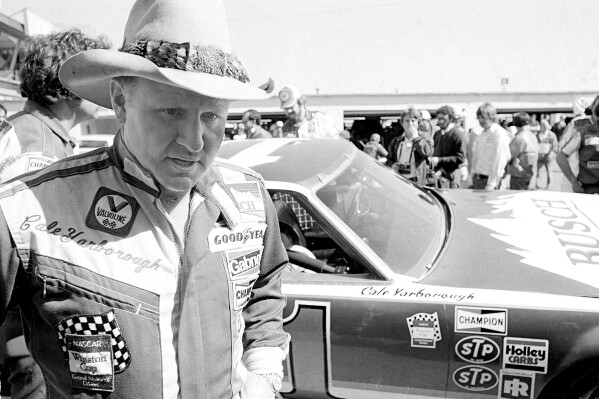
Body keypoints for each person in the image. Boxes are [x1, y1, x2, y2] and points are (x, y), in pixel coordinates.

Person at [0, 0, 290, 398]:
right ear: (120, 102)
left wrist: (264, 369)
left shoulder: (250, 199)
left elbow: (265, 285)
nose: (193, 142)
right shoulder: (24, 210)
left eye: (212, 117)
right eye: (171, 111)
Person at [0, 28, 110, 399]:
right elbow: (39, 246)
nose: (108, 87)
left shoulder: (28, 129)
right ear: (65, 84)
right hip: (34, 320)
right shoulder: (41, 146)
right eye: (96, 76)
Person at [557, 95, 599, 194]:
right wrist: (573, 181)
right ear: (592, 107)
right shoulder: (578, 123)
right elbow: (561, 152)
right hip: (578, 182)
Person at [470, 103, 511, 190]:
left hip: (489, 180)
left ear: (492, 117)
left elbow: (500, 159)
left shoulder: (498, 134)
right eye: (479, 118)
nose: (481, 121)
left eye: (483, 118)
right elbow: (476, 158)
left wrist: (492, 183)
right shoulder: (482, 134)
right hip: (477, 179)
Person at [386, 108, 433, 185]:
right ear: (402, 123)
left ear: (418, 123)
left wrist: (415, 138)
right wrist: (392, 165)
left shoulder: (425, 138)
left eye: (413, 121)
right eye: (407, 121)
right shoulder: (396, 141)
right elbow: (388, 159)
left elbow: (428, 152)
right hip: (399, 179)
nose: (410, 124)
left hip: (417, 181)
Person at [430, 105, 467, 188]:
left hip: (451, 176)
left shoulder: (458, 134)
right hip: (439, 176)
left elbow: (460, 158)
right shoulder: (437, 134)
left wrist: (439, 160)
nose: (441, 121)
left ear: (451, 119)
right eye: (439, 119)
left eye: (443, 119)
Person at [506, 112, 539, 190]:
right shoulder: (533, 136)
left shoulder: (519, 138)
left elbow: (508, 155)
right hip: (531, 174)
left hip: (518, 175)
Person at [536, 119, 558, 189]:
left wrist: (552, 153)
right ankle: (536, 184)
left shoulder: (552, 135)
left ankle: (549, 185)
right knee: (537, 170)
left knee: (549, 171)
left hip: (548, 156)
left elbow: (555, 146)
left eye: (545, 126)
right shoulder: (537, 135)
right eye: (542, 126)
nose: (544, 127)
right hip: (540, 156)